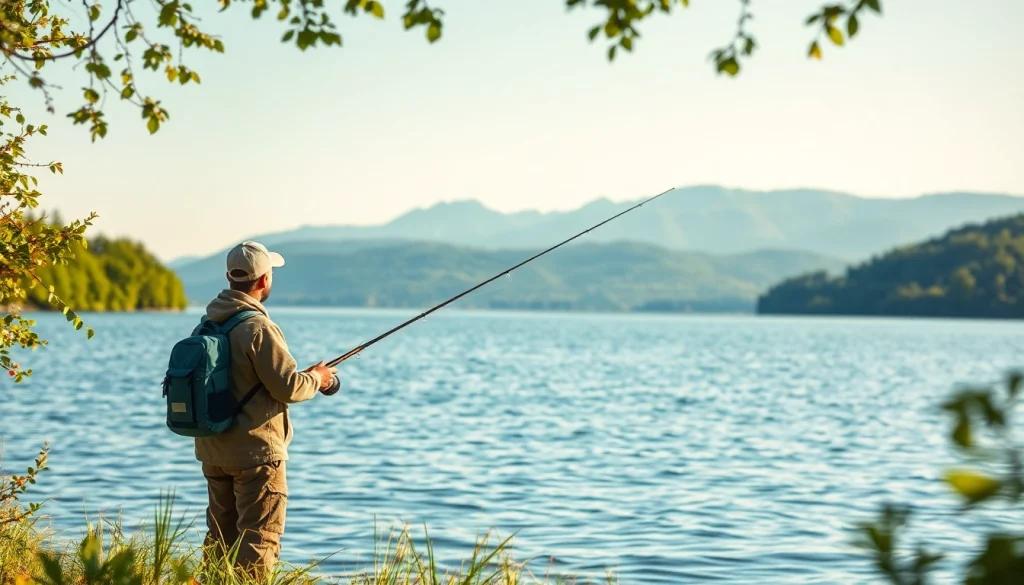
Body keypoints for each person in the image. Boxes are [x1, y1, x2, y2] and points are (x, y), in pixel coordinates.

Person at [195, 240, 340, 577]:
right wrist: (319, 378)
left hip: (213, 451)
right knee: (260, 539)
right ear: (263, 280)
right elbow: (289, 387)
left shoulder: (208, 324)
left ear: (231, 277)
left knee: (220, 539)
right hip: (256, 456)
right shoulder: (259, 328)